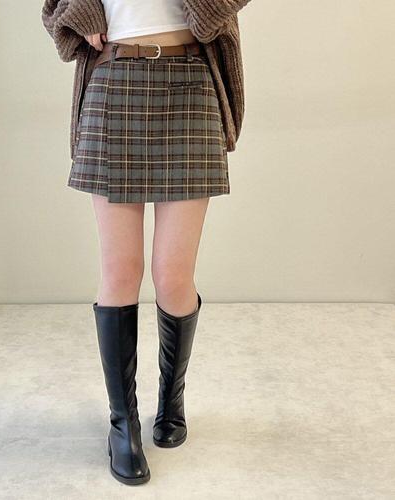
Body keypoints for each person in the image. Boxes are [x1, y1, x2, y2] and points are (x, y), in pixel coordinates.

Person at [42, 0, 251, 486]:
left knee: (173, 277)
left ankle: (171, 401)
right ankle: (123, 424)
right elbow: (55, 7)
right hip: (113, 81)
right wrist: (85, 17)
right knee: (120, 273)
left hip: (190, 83)